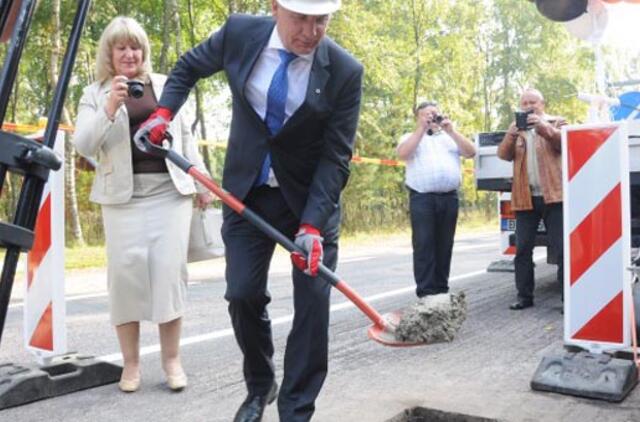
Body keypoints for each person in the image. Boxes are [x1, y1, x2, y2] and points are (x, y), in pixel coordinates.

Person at [137, 1, 361, 421]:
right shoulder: (240, 33)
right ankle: (261, 386)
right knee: (242, 295)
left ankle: (296, 409)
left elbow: (336, 157)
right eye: (301, 18)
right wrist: (163, 113)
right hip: (248, 192)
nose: (311, 32)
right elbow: (187, 67)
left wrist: (313, 225)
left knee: (312, 309)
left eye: (321, 20)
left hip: (309, 204)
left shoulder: (345, 72)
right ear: (276, 8)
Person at [73, 16, 212, 393]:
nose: (130, 54)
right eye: (121, 48)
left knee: (168, 274)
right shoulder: (94, 92)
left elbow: (185, 138)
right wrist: (109, 107)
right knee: (125, 278)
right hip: (121, 199)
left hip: (169, 192)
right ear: (110, 54)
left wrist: (202, 181)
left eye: (135, 47)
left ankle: (171, 361)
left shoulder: (167, 85)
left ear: (143, 51)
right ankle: (131, 365)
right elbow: (84, 145)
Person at [397, 102, 476, 298]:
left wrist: (452, 130)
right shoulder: (410, 137)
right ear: (418, 117)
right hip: (422, 199)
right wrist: (421, 129)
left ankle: (441, 289)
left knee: (444, 244)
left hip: (449, 198)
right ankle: (426, 292)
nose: (431, 118)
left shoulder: (449, 138)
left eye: (434, 114)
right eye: (426, 115)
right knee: (424, 244)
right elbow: (403, 154)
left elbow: (471, 152)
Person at [497, 88, 566, 310]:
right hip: (525, 198)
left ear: (542, 103)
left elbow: (564, 144)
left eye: (532, 102)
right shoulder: (517, 128)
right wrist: (511, 134)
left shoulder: (557, 122)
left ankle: (568, 299)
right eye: (524, 102)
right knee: (523, 249)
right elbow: (503, 155)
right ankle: (524, 297)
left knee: (562, 249)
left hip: (554, 196)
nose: (528, 106)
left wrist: (542, 127)